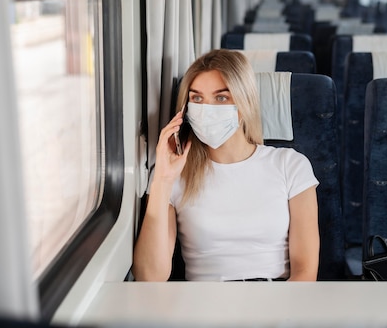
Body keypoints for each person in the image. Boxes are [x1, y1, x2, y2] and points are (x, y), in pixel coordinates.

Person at [133, 49, 319, 282]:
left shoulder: (290, 165)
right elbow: (149, 277)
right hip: (205, 307)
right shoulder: (173, 176)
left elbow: (305, 272)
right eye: (197, 99)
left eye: (221, 98)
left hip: (275, 301)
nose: (207, 109)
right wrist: (162, 179)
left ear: (244, 103)